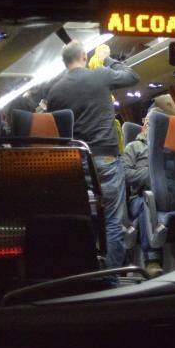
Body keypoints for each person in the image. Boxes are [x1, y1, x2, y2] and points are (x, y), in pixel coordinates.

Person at [46, 41, 138, 268]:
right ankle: (111, 276)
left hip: (75, 161)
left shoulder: (54, 91)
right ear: (84, 57)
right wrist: (107, 58)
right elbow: (131, 76)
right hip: (105, 158)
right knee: (113, 221)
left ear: (64, 61)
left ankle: (85, 271)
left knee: (82, 220)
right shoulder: (100, 75)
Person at [122, 108, 163, 276]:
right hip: (139, 197)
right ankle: (152, 260)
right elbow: (124, 174)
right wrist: (151, 175)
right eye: (148, 122)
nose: (150, 125)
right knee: (147, 201)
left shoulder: (167, 147)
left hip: (166, 196)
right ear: (143, 125)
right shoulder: (134, 147)